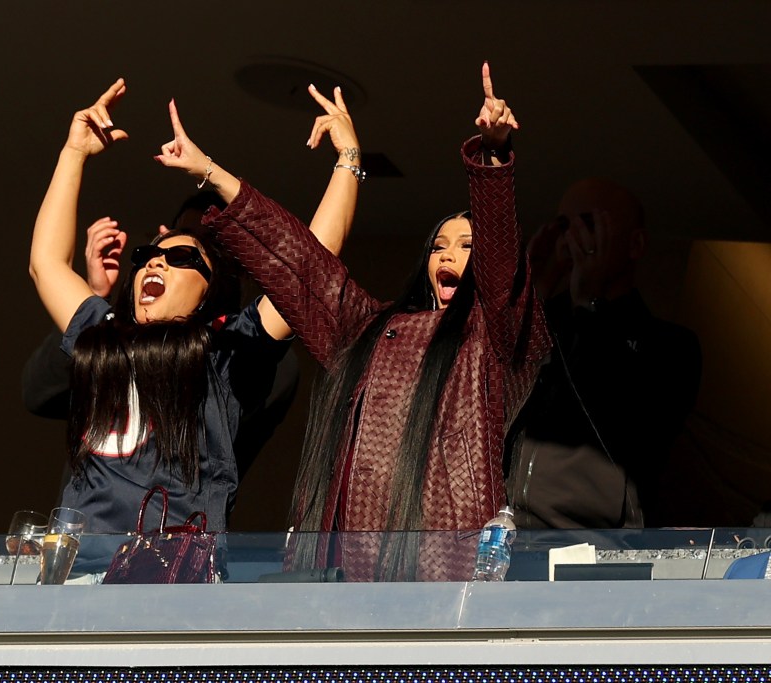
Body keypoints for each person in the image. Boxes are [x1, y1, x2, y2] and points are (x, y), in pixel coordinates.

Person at [154, 63, 550, 581]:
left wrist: (493, 156)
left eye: (467, 246)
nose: (449, 255)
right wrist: (212, 173)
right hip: (344, 577)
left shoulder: (493, 339)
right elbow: (302, 265)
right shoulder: (369, 328)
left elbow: (502, 274)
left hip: (444, 576)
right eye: (438, 246)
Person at [28, 78, 360, 578]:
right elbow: (46, 264)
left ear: (211, 291)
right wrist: (74, 152)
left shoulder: (225, 353)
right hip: (74, 580)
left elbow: (308, 267)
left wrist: (348, 159)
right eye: (147, 256)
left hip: (174, 583)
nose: (153, 265)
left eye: (180, 257)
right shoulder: (104, 329)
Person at [20, 191, 301, 483]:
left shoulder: (250, 350)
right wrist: (93, 296)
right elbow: (40, 393)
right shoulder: (119, 330)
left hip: (173, 520)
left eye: (210, 241)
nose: (162, 259)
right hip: (86, 521)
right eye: (179, 237)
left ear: (239, 258)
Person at [505, 178, 702, 529]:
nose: (575, 238)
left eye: (590, 224)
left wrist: (592, 306)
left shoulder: (669, 345)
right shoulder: (549, 321)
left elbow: (624, 421)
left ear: (635, 243)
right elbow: (497, 390)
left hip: (592, 543)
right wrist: (531, 295)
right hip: (507, 531)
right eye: (565, 226)